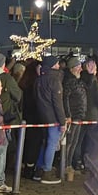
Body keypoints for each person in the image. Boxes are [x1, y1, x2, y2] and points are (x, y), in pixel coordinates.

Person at [33, 55, 66, 184]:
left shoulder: (39, 80)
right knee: (52, 143)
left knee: (45, 143)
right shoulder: (54, 80)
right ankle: (46, 172)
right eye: (57, 64)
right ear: (53, 65)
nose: (59, 66)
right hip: (53, 118)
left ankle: (39, 170)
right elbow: (58, 103)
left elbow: (36, 98)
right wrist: (62, 121)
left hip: (42, 116)